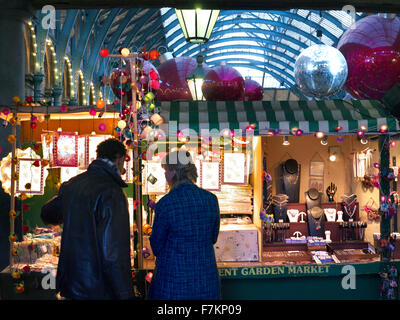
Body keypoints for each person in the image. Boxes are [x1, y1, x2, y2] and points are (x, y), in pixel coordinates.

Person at [41, 138, 133, 300]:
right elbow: (113, 253)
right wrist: (125, 294)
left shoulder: (72, 185)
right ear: (119, 160)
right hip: (99, 289)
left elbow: (47, 213)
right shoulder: (113, 193)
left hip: (71, 285)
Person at [149, 150, 221, 300]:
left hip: (172, 281)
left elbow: (156, 245)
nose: (165, 175)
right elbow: (213, 237)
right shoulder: (211, 200)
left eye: (166, 170)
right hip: (206, 279)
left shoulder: (166, 204)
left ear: (175, 171)